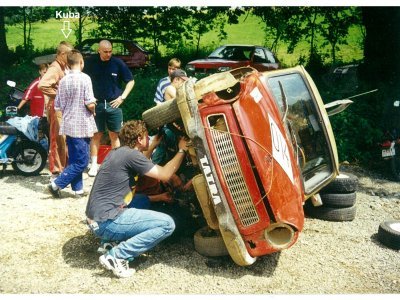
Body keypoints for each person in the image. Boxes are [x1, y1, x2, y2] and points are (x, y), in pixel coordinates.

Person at [85, 120, 189, 278]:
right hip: (106, 221)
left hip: (95, 220)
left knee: (138, 201)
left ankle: (109, 242)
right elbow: (165, 174)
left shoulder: (119, 152)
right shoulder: (131, 155)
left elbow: (143, 163)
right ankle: (117, 256)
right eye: (148, 136)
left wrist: (153, 144)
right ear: (140, 139)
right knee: (167, 224)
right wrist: (181, 150)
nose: (150, 139)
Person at [47, 50, 97, 198]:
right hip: (82, 124)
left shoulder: (63, 80)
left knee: (75, 159)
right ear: (81, 62)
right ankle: (56, 184)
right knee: (82, 162)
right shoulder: (85, 78)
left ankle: (78, 189)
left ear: (67, 64)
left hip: (68, 123)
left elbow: (58, 104)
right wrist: (93, 106)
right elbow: (89, 102)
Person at [84, 39, 135, 177]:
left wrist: (122, 97)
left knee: (115, 134)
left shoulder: (118, 63)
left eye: (110, 51)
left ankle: (116, 166)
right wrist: (88, 97)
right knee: (96, 135)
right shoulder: (90, 62)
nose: (108, 54)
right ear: (98, 50)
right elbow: (82, 79)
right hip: (97, 104)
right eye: (105, 52)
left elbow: (130, 81)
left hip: (114, 104)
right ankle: (94, 165)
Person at [38, 41, 74, 178]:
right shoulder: (55, 68)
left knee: (63, 139)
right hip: (56, 107)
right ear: (62, 54)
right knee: (58, 140)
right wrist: (58, 94)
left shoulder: (63, 66)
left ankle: (63, 168)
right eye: (69, 55)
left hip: (62, 107)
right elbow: (42, 85)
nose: (71, 58)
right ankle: (56, 171)